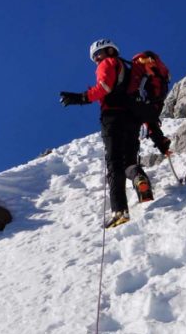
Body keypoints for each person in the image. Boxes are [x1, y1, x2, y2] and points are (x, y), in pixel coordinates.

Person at [60, 39, 154, 229]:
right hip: (132, 119)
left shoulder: (107, 63)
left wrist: (81, 98)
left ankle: (119, 211)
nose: (96, 60)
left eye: (96, 55)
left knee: (114, 165)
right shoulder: (130, 68)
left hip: (113, 118)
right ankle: (139, 179)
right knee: (129, 162)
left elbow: (104, 88)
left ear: (105, 52)